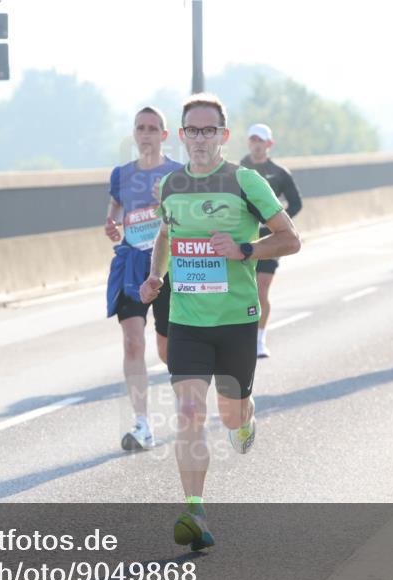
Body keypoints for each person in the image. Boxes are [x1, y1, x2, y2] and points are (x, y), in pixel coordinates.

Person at [139, 93, 301, 550]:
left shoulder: (244, 181)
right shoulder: (169, 185)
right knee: (190, 412)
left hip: (235, 320)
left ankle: (245, 417)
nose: (200, 138)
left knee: (231, 414)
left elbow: (290, 239)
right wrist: (156, 277)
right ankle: (195, 511)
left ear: (223, 135)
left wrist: (245, 249)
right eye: (193, 130)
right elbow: (165, 235)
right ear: (182, 135)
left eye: (209, 130)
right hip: (188, 320)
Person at [105, 106, 182, 450]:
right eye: (141, 128)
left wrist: (167, 201)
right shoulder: (121, 174)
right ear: (134, 134)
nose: (146, 133)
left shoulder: (177, 174)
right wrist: (111, 222)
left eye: (153, 128)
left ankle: (185, 401)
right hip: (132, 263)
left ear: (163, 135)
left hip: (166, 265)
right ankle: (142, 424)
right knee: (132, 341)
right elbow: (115, 208)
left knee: (167, 349)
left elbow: (191, 217)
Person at [240, 123, 303, 358]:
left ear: (269, 144)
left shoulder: (279, 172)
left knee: (262, 288)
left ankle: (259, 339)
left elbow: (296, 203)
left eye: (261, 140)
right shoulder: (237, 170)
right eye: (253, 140)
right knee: (243, 290)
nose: (256, 144)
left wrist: (275, 224)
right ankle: (240, 336)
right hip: (243, 238)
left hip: (270, 239)